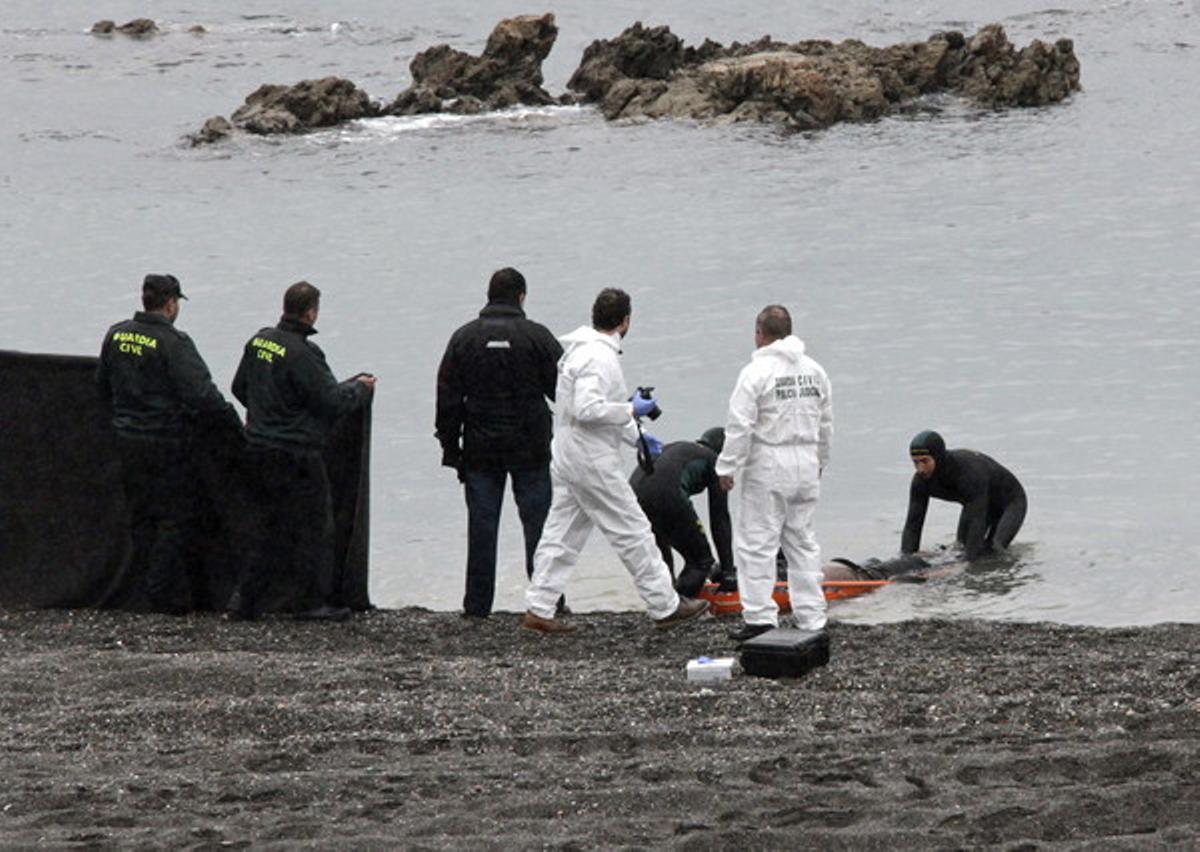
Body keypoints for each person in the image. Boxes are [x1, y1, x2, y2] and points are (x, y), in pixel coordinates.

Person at [522, 288, 709, 633]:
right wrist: (630, 409)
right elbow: (588, 409)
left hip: (566, 452)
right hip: (590, 459)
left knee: (561, 532)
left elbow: (585, 410)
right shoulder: (600, 358)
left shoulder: (579, 352)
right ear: (625, 321)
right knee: (633, 529)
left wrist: (635, 434)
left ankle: (539, 605)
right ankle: (664, 605)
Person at [230, 281, 376, 621]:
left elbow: (239, 387)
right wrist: (360, 389)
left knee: (266, 526)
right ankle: (310, 602)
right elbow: (331, 401)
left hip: (258, 448)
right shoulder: (304, 354)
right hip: (296, 454)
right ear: (310, 312)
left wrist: (265, 414)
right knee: (314, 526)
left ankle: (244, 601)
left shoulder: (259, 341)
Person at [96, 273, 241, 614]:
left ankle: (140, 589)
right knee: (174, 518)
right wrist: (235, 428)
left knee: (141, 516)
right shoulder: (174, 342)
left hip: (126, 439)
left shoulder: (116, 334)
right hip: (165, 441)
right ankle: (162, 594)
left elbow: (102, 384)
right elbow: (202, 395)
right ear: (171, 303)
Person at [435, 267, 563, 618]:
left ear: (489, 295)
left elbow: (447, 398)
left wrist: (451, 449)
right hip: (531, 449)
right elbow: (562, 394)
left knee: (482, 528)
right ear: (521, 296)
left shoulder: (463, 338)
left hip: (480, 449)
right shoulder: (537, 337)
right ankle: (547, 603)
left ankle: (477, 608)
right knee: (540, 527)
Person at [717, 304, 833, 642]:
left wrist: (727, 466)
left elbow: (740, 425)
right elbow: (826, 422)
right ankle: (812, 616)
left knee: (757, 543)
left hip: (769, 461)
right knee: (802, 541)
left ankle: (760, 618)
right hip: (806, 460)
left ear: (759, 333)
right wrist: (821, 459)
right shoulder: (814, 371)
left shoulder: (755, 373)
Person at [630, 427, 736, 597]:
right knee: (701, 562)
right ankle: (679, 605)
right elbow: (720, 519)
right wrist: (728, 572)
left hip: (633, 495)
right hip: (666, 494)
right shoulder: (716, 461)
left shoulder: (682, 448)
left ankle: (664, 601)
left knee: (661, 559)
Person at [902, 430, 1027, 561]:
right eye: (916, 462)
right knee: (960, 547)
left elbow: (976, 521)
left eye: (925, 461)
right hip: (975, 502)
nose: (920, 469)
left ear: (938, 457)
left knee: (994, 549)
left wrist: (966, 564)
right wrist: (906, 559)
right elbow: (913, 525)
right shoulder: (920, 482)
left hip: (1011, 503)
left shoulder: (969, 473)